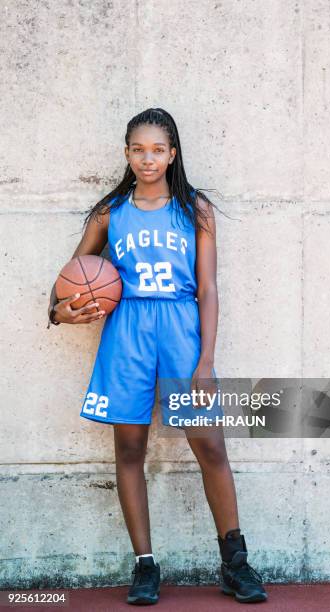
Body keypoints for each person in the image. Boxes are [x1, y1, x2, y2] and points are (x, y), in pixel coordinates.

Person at [47, 108, 267, 605]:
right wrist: (63, 311)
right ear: (126, 153)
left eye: (158, 150)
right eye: (138, 149)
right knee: (129, 450)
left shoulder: (195, 209)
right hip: (126, 335)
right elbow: (67, 282)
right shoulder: (111, 211)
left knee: (210, 447)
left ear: (172, 154)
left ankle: (235, 562)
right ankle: (145, 565)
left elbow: (208, 288)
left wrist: (205, 361)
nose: (148, 159)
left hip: (181, 333)